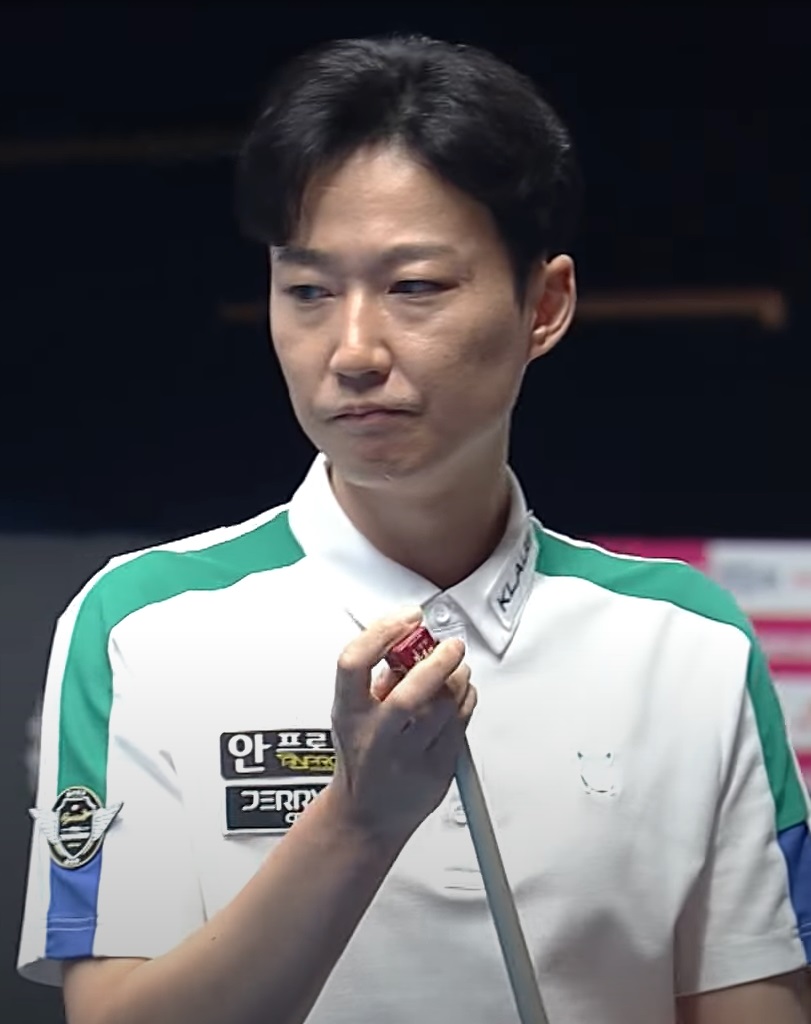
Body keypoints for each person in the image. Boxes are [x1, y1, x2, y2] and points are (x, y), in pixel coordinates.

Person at [17, 32, 811, 1024]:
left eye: (415, 287)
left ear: (544, 305)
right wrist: (357, 822)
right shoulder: (143, 622)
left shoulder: (687, 640)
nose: (351, 349)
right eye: (307, 291)